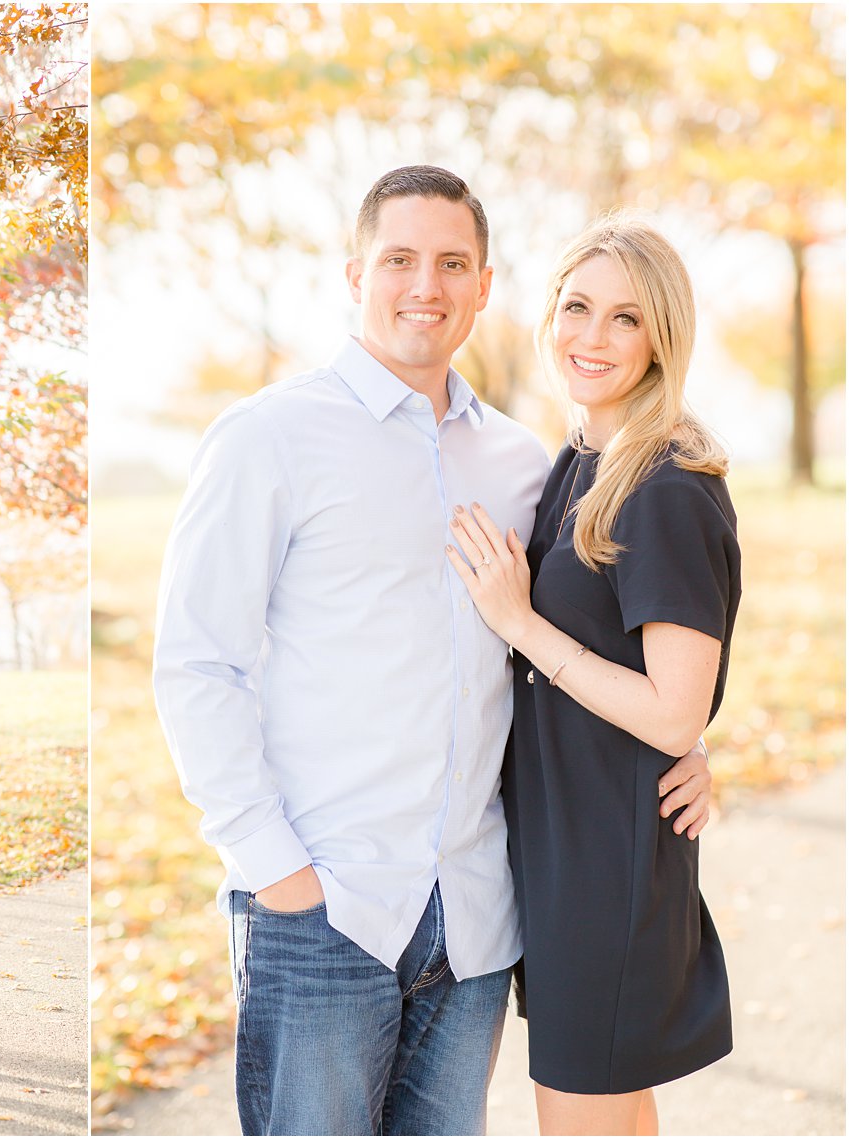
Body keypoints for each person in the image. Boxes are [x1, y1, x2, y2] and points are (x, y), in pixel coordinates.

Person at [151, 166, 714, 1136]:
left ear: (485, 285)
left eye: (452, 262)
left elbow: (595, 636)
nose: (427, 284)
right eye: (399, 259)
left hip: (476, 916)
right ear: (352, 272)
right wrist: (269, 864)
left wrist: (680, 744)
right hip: (325, 902)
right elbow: (196, 662)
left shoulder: (521, 462)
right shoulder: (268, 437)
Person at [446, 215, 736, 1135]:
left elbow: (670, 707)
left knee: (579, 1110)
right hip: (563, 846)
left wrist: (520, 623)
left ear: (662, 337)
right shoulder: (579, 463)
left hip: (607, 861)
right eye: (578, 307)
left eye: (626, 318)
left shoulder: (666, 484)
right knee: (608, 1109)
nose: (593, 337)